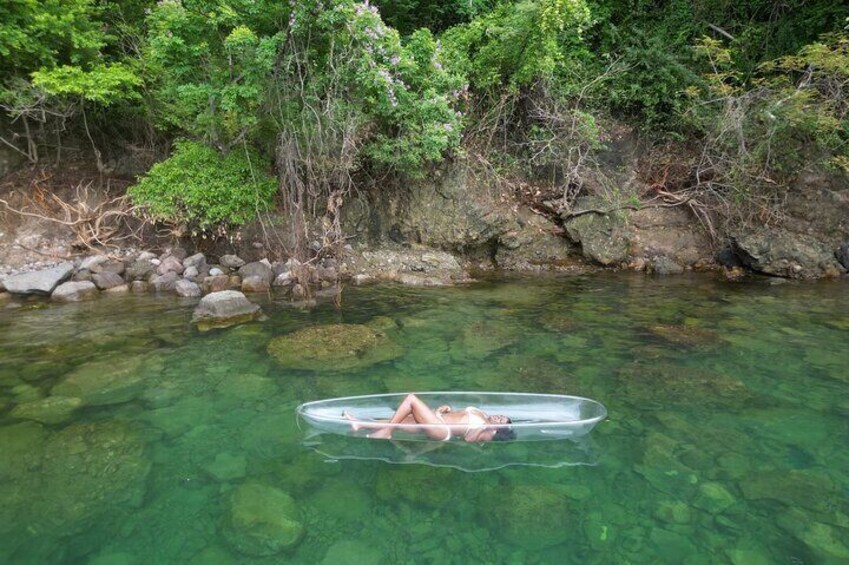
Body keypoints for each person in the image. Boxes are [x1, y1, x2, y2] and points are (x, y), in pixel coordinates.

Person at [343, 393, 516, 442]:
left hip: (442, 431)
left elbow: (468, 439)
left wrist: (486, 427)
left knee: (411, 400)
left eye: (501, 421)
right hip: (439, 418)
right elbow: (460, 416)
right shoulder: (483, 414)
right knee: (401, 420)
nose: (500, 417)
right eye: (502, 416)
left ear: (497, 429)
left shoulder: (488, 432)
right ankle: (360, 425)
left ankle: (386, 432)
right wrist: (447, 409)